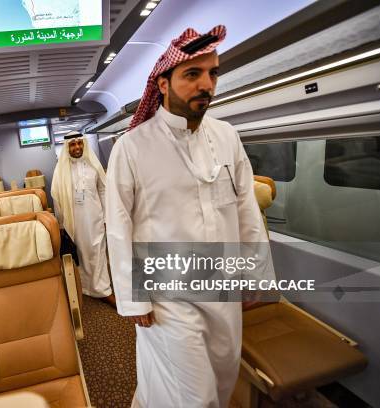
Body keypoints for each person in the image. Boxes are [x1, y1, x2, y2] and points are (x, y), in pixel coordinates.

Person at [105, 26, 273, 407]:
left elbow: (246, 207)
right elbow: (118, 225)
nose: (207, 85)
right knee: (196, 397)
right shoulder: (131, 148)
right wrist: (134, 299)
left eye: (213, 74)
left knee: (222, 376)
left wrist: (256, 275)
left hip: (224, 286)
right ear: (163, 83)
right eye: (192, 74)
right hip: (168, 294)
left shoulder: (228, 135)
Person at [51, 131, 115, 305]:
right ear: (67, 147)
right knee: (82, 254)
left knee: (99, 252)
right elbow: (57, 198)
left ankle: (103, 289)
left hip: (95, 217)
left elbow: (103, 190)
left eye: (80, 143)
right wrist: (62, 225)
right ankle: (87, 287)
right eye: (73, 144)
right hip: (75, 221)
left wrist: (107, 218)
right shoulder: (61, 170)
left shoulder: (93, 164)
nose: (77, 147)